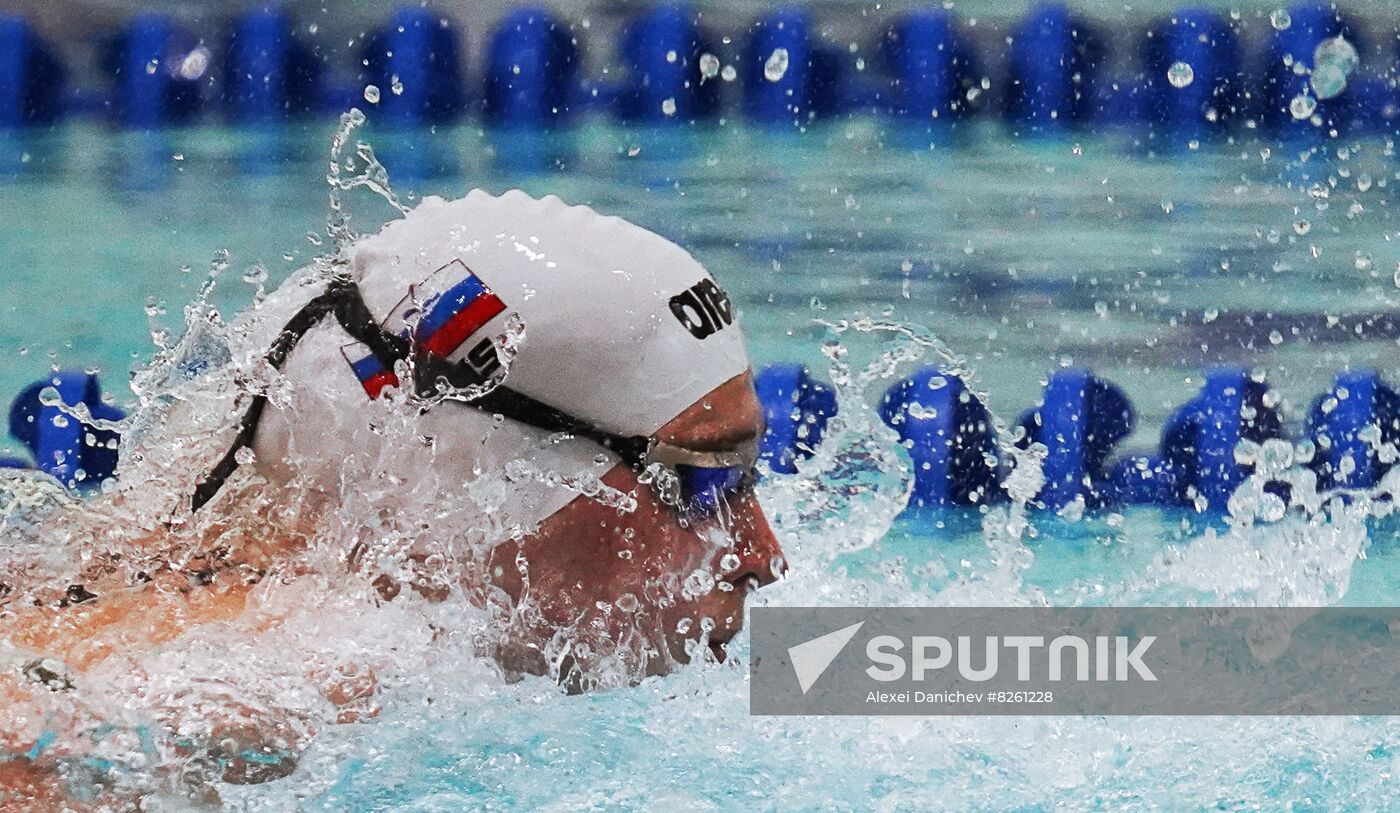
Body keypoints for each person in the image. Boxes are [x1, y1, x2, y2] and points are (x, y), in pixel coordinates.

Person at [0, 190, 787, 802]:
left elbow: (885, 670)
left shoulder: (481, 636)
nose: (765, 554)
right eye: (705, 479)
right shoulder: (295, 682)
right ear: (473, 475)